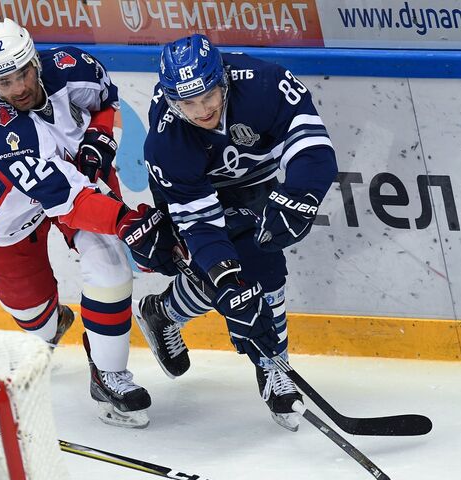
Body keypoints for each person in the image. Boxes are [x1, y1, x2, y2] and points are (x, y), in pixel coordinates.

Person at [0, 19, 164, 428]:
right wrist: (126, 221)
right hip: (11, 216)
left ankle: (108, 375)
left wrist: (100, 138)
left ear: (35, 60)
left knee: (111, 266)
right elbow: (66, 203)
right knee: (35, 321)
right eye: (5, 83)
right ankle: (51, 324)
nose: (19, 88)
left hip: (76, 176)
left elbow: (107, 101)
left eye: (24, 73)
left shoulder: (72, 65)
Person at [133, 34, 338, 431]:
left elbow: (312, 147)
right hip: (199, 193)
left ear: (222, 79)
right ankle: (272, 362)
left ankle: (165, 314)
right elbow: (201, 224)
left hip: (257, 182)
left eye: (208, 96)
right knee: (229, 284)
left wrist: (300, 195)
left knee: (265, 270)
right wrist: (227, 278)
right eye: (188, 103)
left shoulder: (265, 83)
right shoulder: (166, 141)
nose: (202, 110)